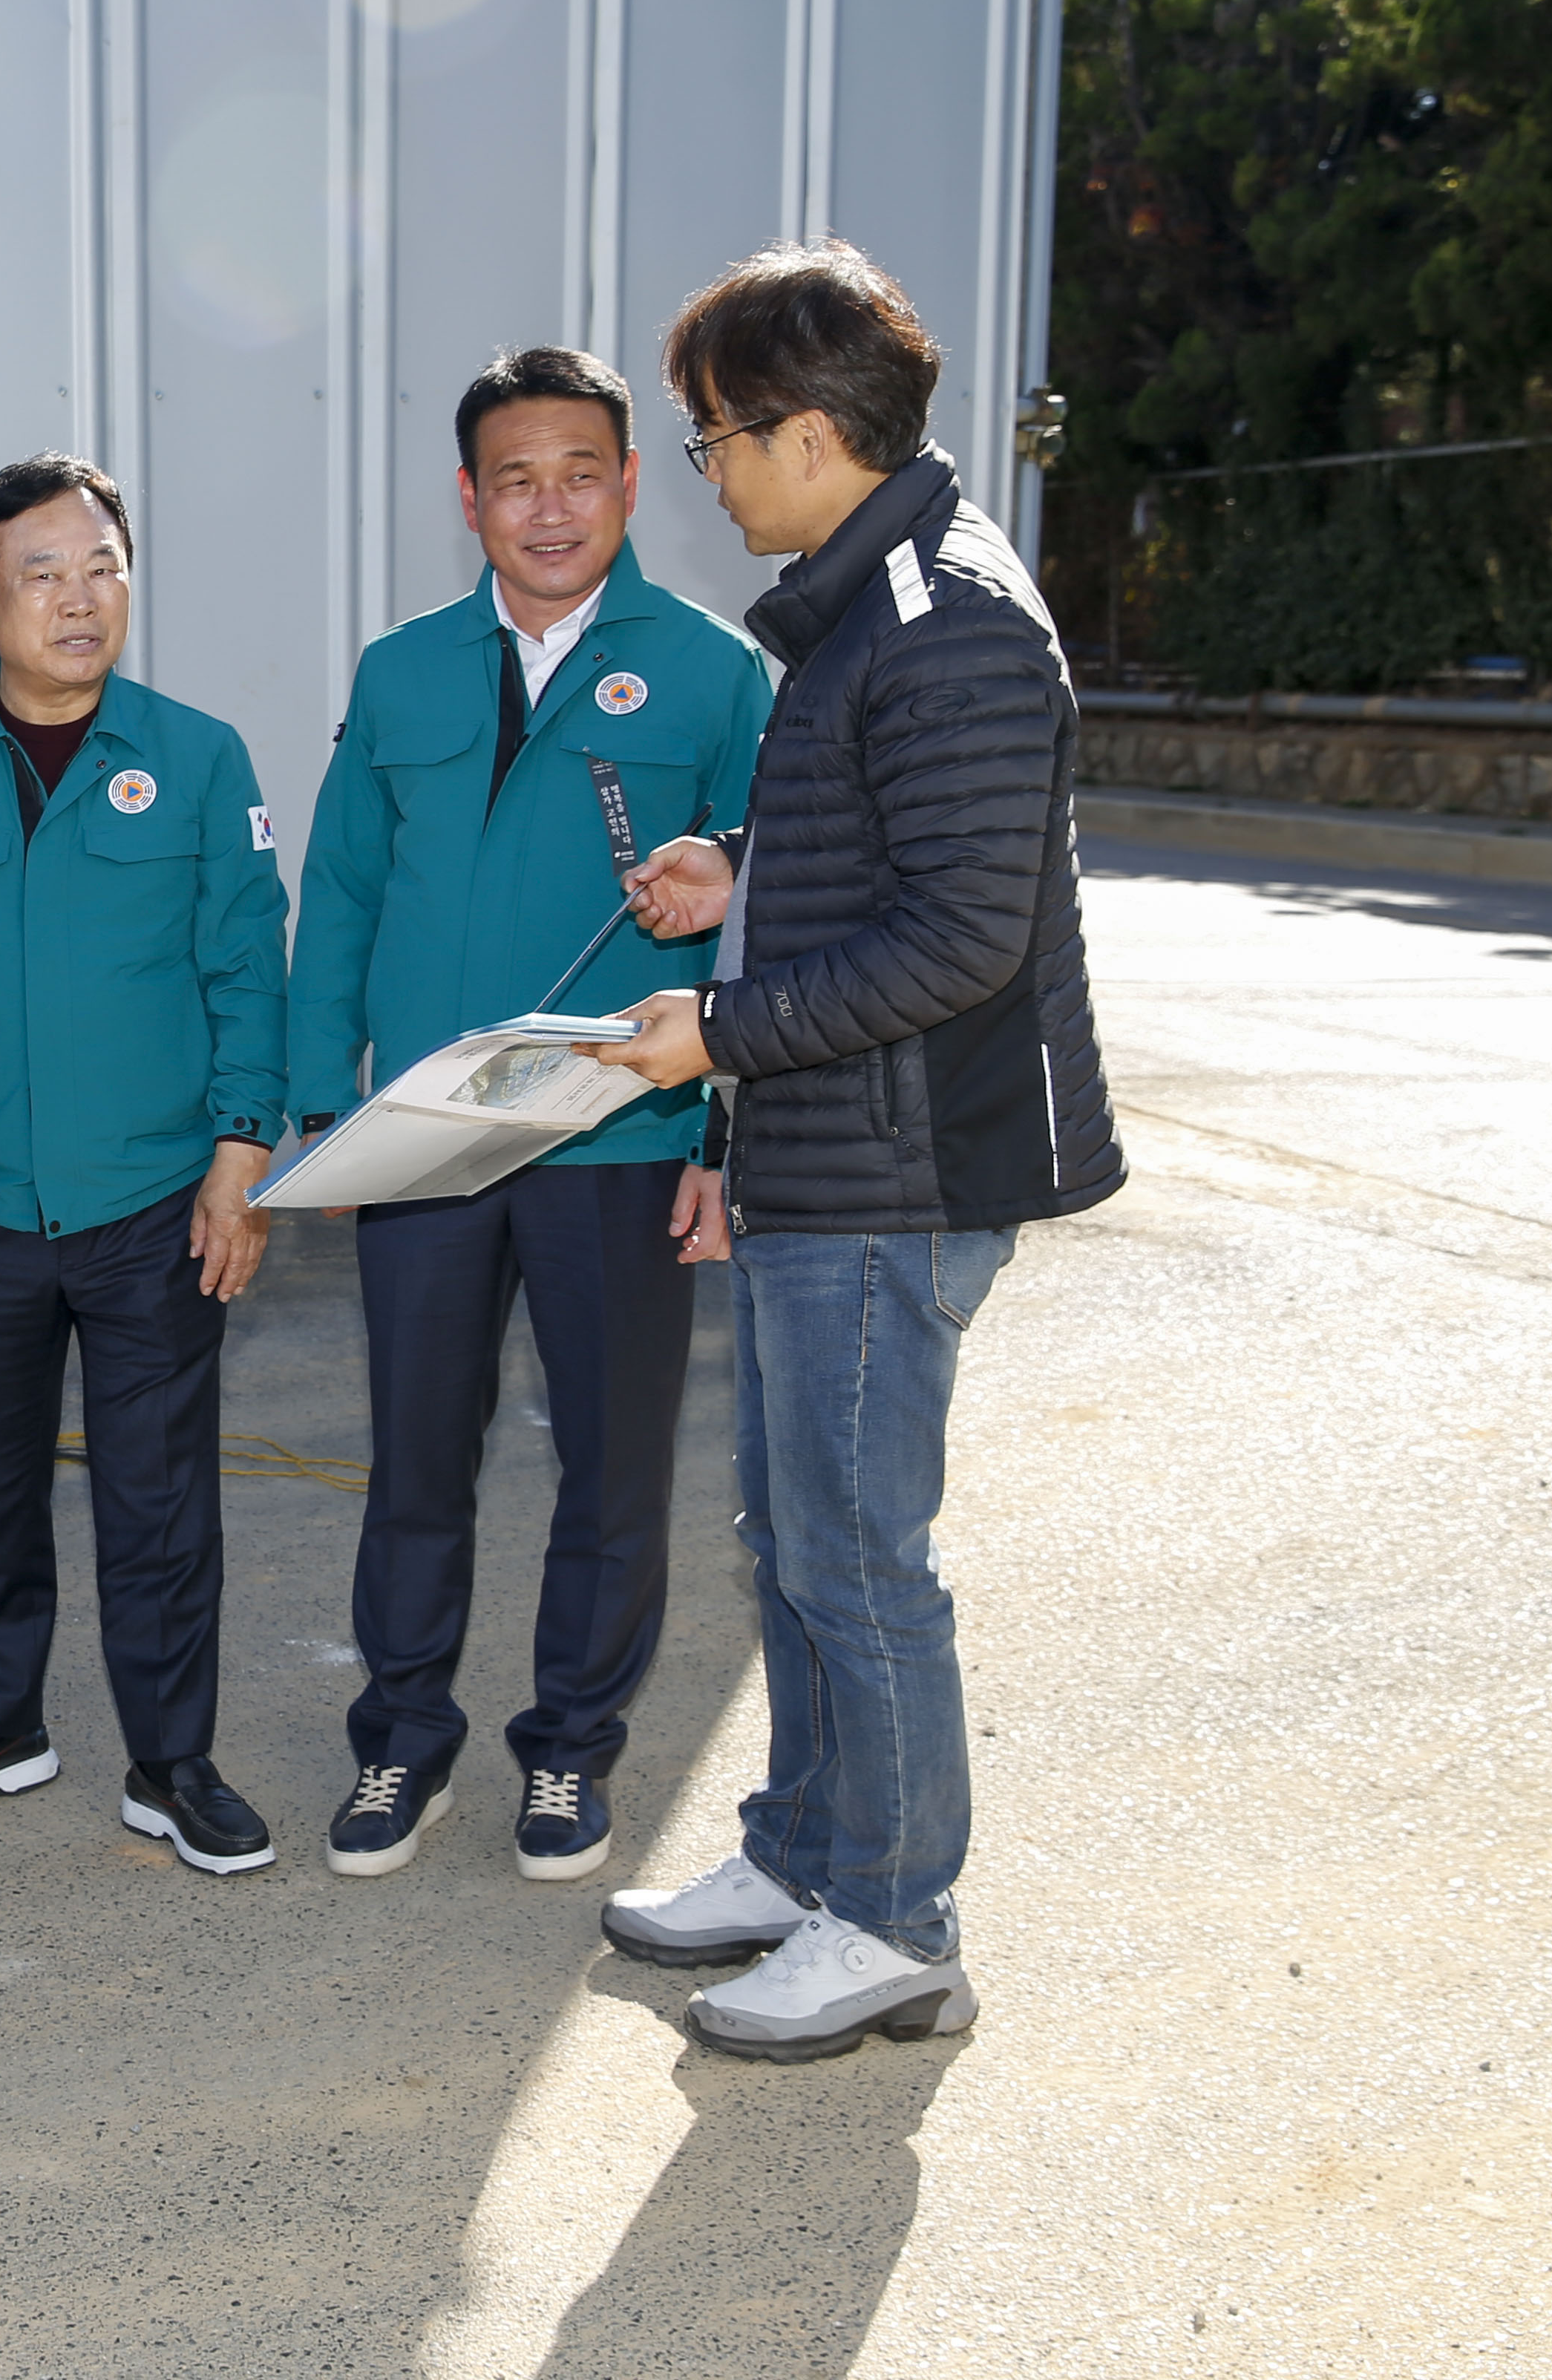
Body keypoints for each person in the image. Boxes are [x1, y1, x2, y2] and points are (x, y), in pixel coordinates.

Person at [579, 242, 1124, 2061]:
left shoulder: (945, 616)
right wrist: (743, 879)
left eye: (716, 440)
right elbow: (898, 855)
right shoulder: (869, 604)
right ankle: (808, 1855)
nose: (710, 474)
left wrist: (720, 1029)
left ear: (807, 434)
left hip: (902, 1173)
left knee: (860, 1556)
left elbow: (964, 935)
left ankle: (893, 1921)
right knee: (795, 1534)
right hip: (829, 1156)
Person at [286, 346, 770, 1889]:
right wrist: (322, 1107)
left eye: (579, 476)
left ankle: (570, 1751)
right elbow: (343, 891)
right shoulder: (403, 671)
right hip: (430, 1137)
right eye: (516, 480)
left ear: (628, 487)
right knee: (417, 1459)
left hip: (619, 1135)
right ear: (469, 498)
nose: (549, 509)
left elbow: (775, 925)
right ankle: (401, 1741)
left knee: (613, 1472)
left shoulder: (714, 673)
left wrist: (724, 1143)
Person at [0, 453, 292, 1875]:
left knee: (161, 1501)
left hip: (152, 1202)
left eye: (102, 568)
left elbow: (246, 969)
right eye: (41, 575)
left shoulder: (199, 758)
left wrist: (241, 1154)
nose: (78, 600)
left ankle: (173, 1762)